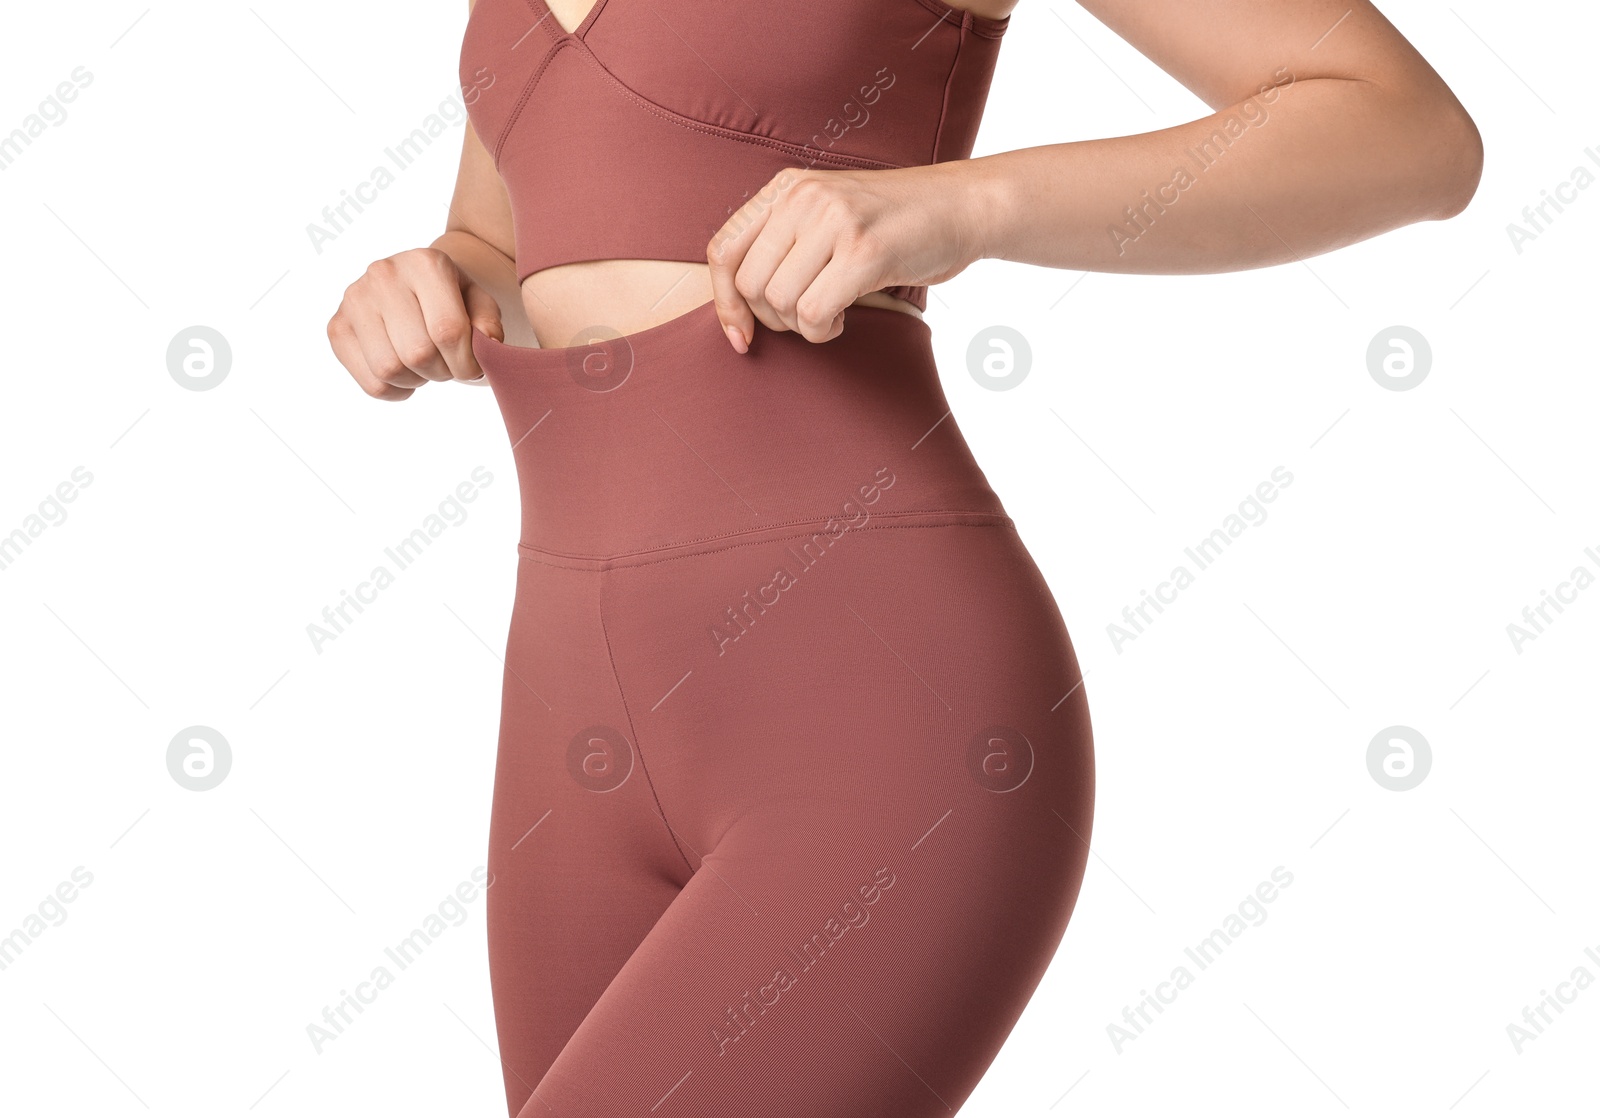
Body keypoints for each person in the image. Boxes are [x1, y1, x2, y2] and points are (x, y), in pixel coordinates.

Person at [325, 2, 1480, 1115]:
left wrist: (960, 205)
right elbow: (508, 240)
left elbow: (1405, 128)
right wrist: (438, 284)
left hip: (867, 698)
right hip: (569, 722)